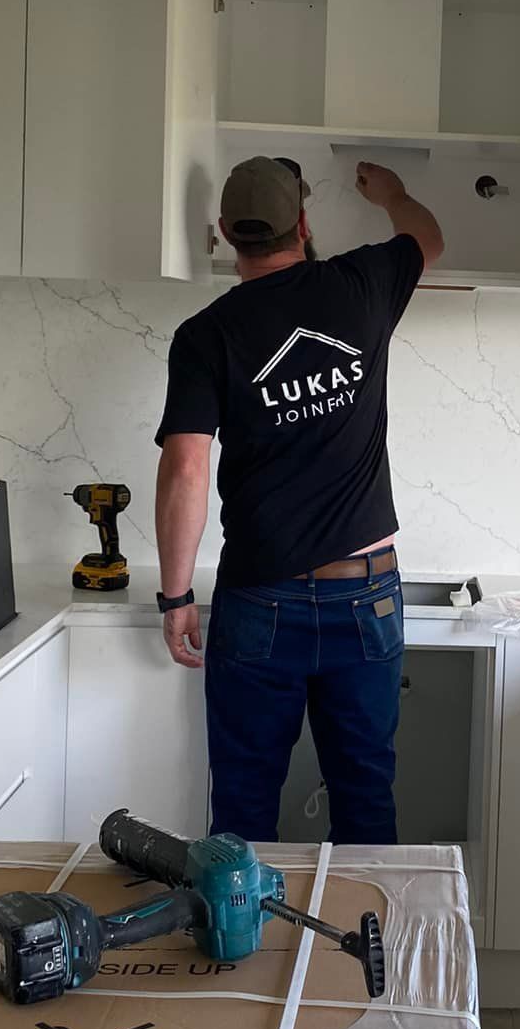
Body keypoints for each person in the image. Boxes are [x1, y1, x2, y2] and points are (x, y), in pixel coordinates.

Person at [153, 155, 443, 844]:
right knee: (364, 796)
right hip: (366, 593)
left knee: (244, 806)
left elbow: (187, 467)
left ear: (226, 233)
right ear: (304, 225)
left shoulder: (205, 335)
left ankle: (240, 922)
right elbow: (428, 237)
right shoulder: (362, 283)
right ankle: (364, 921)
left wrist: (176, 597)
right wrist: (393, 193)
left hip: (261, 598)